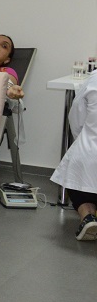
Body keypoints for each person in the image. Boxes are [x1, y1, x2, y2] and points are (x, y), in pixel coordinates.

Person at [51, 69, 97, 241]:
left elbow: (76, 117)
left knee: (76, 168)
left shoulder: (94, 78)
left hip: (89, 156)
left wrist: (84, 139)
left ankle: (88, 216)